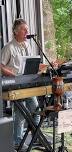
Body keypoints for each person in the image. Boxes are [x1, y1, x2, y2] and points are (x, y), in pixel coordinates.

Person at [1, 18, 40, 150]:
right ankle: (17, 141)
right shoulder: (9, 48)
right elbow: (1, 66)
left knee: (36, 110)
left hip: (27, 83)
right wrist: (14, 76)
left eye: (27, 29)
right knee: (20, 113)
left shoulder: (27, 45)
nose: (27, 32)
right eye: (24, 29)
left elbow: (31, 63)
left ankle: (36, 137)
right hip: (15, 84)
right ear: (16, 32)